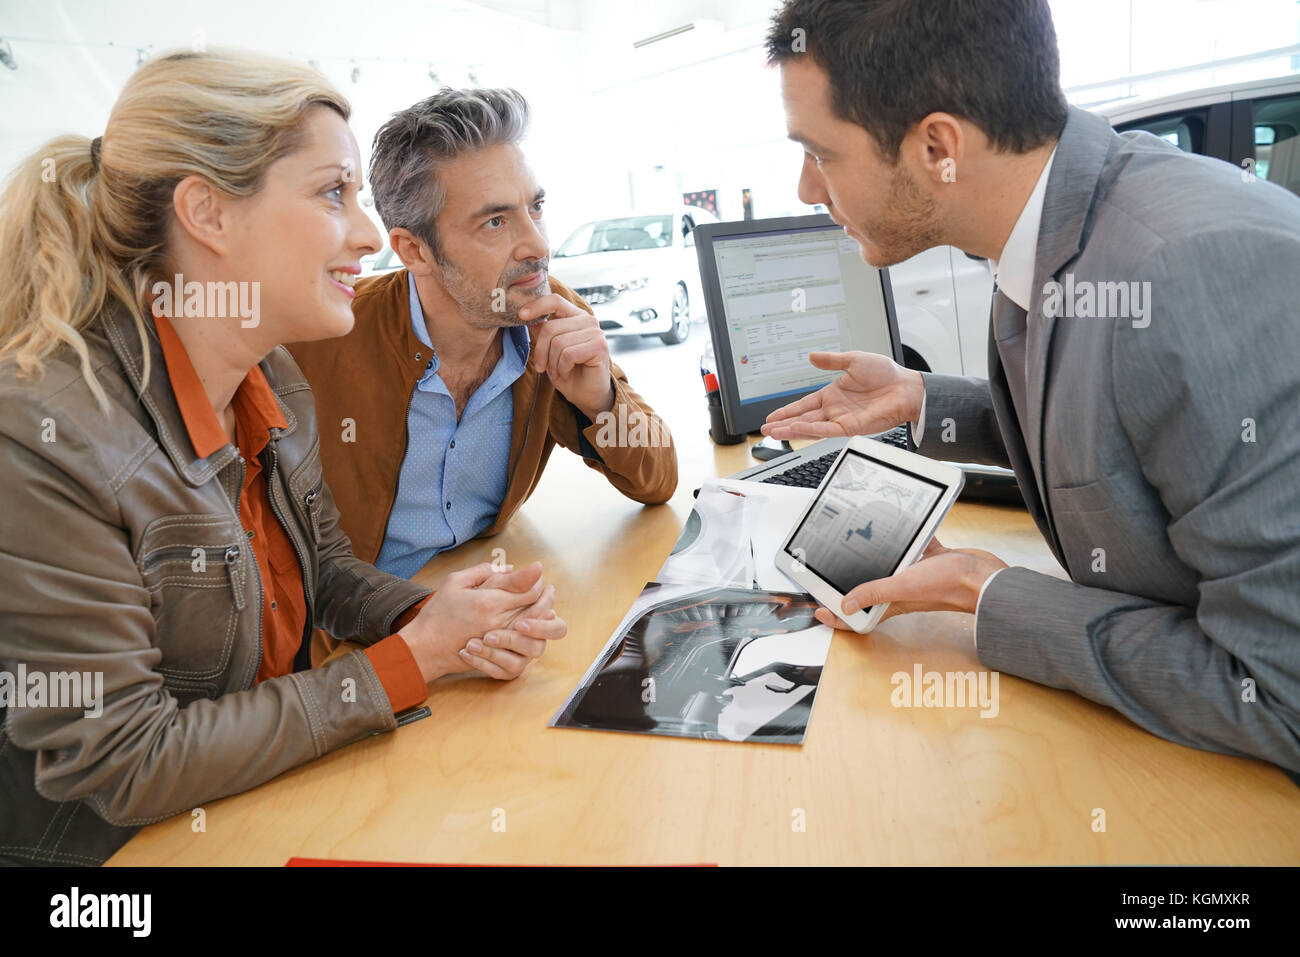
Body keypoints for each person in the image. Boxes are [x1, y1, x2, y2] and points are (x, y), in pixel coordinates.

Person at [0, 49, 566, 867]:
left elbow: (320, 567)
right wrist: (408, 661)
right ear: (209, 214)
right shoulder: (45, 437)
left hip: (257, 801)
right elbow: (122, 761)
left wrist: (432, 618)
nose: (371, 234)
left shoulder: (270, 373)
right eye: (333, 193)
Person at [761, 0, 1300, 774]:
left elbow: (1279, 690)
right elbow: (1127, 421)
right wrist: (925, 400)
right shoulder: (1060, 222)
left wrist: (991, 593)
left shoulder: (1192, 269)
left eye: (820, 153)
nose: (808, 188)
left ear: (937, 145)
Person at [287, 87, 677, 666]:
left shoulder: (549, 315)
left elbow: (658, 480)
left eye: (535, 207)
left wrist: (600, 399)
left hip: (473, 616)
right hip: (346, 643)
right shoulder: (320, 337)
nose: (538, 245)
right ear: (413, 250)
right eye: (495, 221)